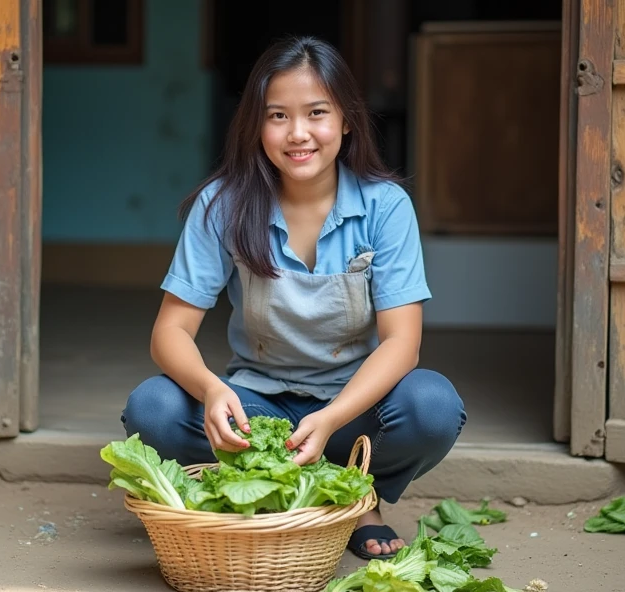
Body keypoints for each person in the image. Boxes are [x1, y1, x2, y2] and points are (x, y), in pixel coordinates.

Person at [121, 35, 466, 560]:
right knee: (152, 407)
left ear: (347, 120)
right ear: (256, 125)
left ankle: (357, 498)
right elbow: (169, 333)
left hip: (350, 411)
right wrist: (214, 392)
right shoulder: (222, 205)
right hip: (255, 407)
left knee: (432, 405)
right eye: (277, 115)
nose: (298, 133)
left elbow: (403, 345)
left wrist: (331, 418)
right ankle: (277, 496)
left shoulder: (385, 206)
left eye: (317, 113)